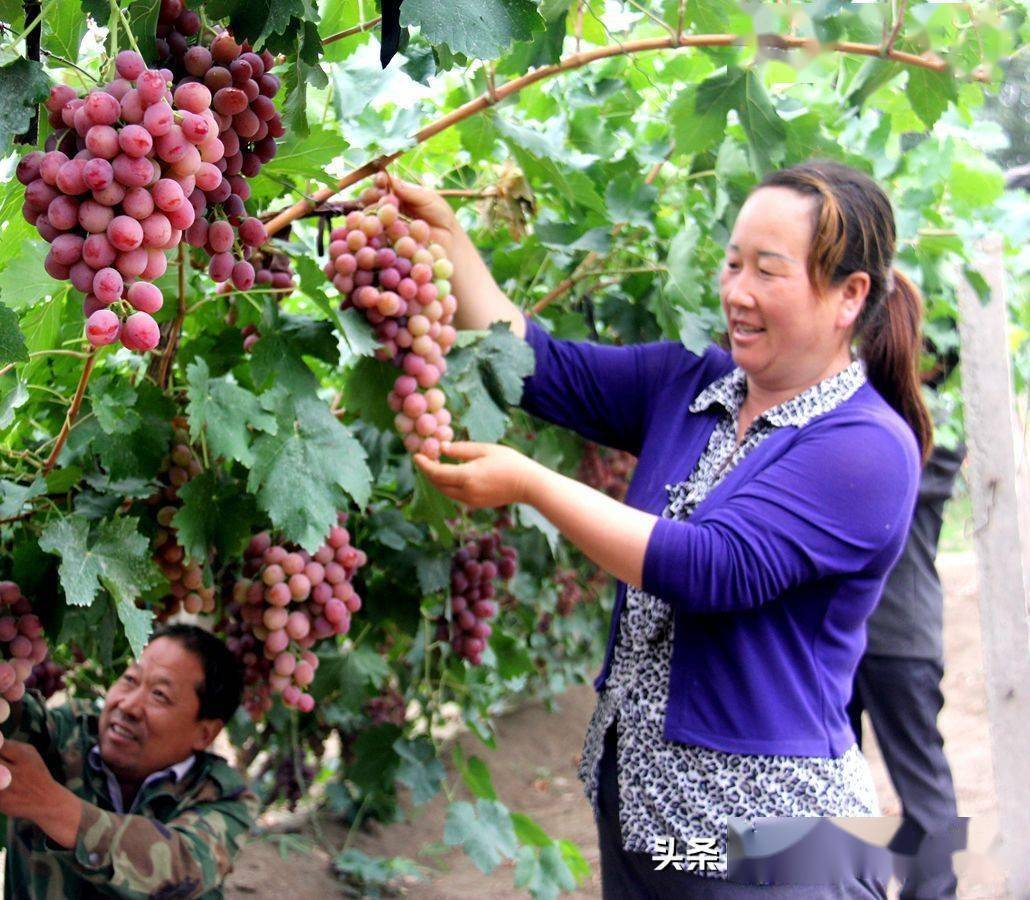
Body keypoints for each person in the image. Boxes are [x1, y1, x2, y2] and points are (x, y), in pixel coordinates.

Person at [405, 160, 930, 898]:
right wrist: (446, 234)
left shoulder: (866, 447)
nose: (736, 293)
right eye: (732, 262)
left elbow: (712, 567)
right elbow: (537, 364)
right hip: (655, 826)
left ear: (850, 295)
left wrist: (530, 484)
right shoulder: (690, 385)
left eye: (768, 272)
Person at [0, 623, 255, 898]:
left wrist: (49, 804)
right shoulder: (64, 735)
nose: (128, 705)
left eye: (159, 695)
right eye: (130, 679)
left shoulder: (225, 798)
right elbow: (4, 714)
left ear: (204, 733)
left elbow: (182, 865)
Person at [849, 415, 966, 899]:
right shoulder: (889, 423)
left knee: (922, 788)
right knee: (829, 779)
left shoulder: (935, 431)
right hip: (842, 633)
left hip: (896, 636)